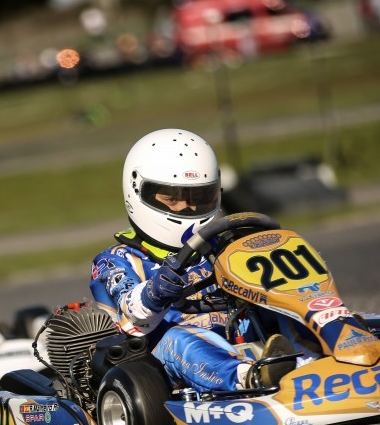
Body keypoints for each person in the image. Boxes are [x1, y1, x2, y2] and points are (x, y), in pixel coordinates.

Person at [89, 128, 320, 394]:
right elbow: (132, 312)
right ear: (139, 192)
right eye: (173, 198)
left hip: (240, 334)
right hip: (164, 361)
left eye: (199, 197)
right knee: (177, 338)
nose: (188, 208)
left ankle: (316, 360)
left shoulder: (226, 244)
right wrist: (153, 293)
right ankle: (251, 378)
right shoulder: (116, 259)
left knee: (282, 306)